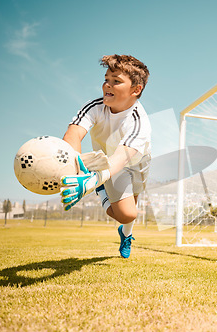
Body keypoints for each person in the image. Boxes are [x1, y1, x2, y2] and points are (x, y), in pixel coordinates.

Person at [60, 54, 151, 258]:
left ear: (136, 90)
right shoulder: (95, 107)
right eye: (106, 79)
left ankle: (126, 234)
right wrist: (75, 171)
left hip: (134, 160)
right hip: (108, 163)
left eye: (116, 81)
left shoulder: (139, 122)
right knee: (127, 214)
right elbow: (73, 134)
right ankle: (102, 190)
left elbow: (122, 158)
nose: (107, 86)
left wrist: (92, 181)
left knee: (131, 209)